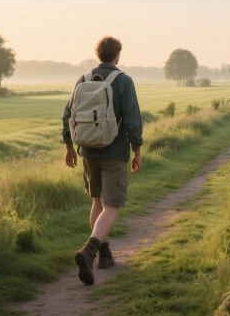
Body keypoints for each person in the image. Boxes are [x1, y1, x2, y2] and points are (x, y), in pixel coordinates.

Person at [62, 36, 143, 285]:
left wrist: (69, 147)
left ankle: (104, 255)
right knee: (112, 205)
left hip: (87, 150)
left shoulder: (83, 79)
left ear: (98, 54)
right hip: (114, 152)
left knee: (97, 201)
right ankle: (90, 250)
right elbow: (131, 118)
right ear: (117, 55)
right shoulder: (123, 81)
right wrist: (137, 149)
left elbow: (68, 115)